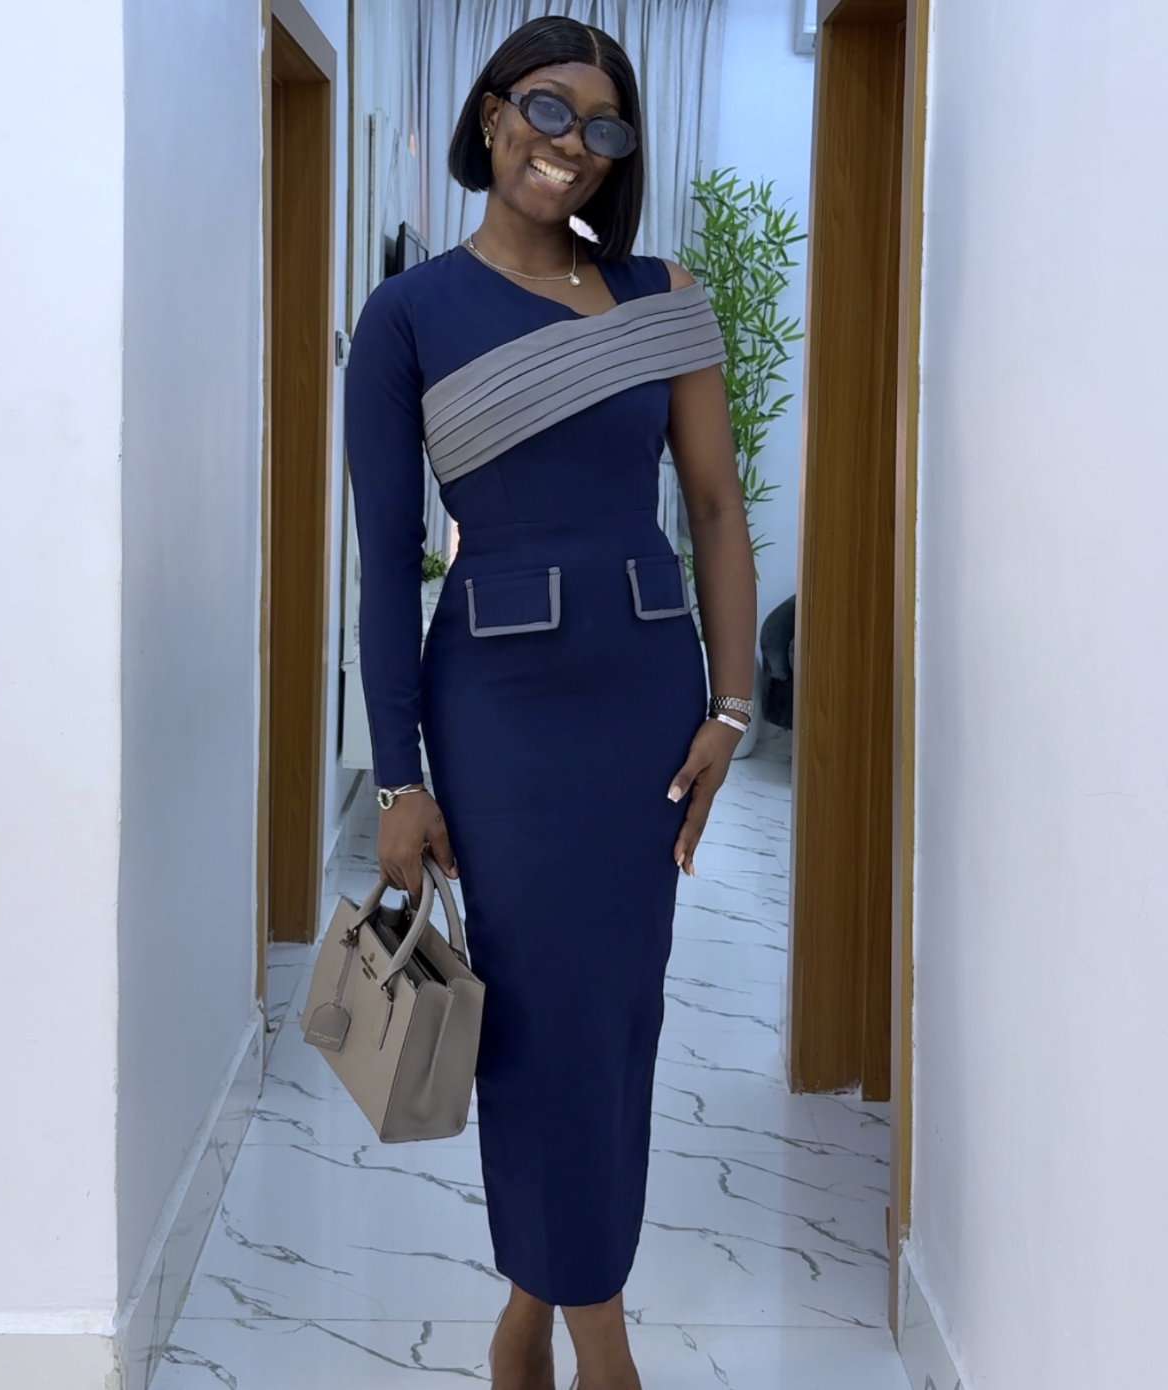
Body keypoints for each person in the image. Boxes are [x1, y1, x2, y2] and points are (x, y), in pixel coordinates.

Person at [345, 17, 756, 1390]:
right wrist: (400, 776)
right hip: (500, 714)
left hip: (643, 702)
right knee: (532, 1015)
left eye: (604, 124)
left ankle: (535, 1303)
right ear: (490, 115)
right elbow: (385, 563)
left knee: (615, 1011)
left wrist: (733, 708)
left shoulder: (660, 294)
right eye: (547, 108)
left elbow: (714, 508)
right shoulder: (408, 316)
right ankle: (599, 1335)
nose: (571, 143)